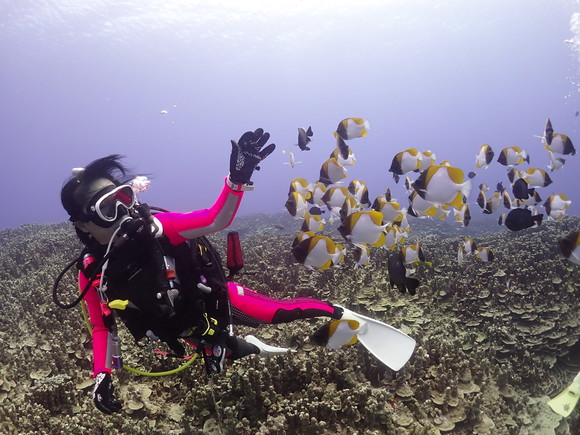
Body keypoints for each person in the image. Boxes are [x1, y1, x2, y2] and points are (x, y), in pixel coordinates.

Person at [59, 129, 359, 414]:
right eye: (108, 207)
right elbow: (102, 327)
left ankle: (338, 311)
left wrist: (237, 180)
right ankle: (256, 348)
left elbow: (217, 219)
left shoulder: (160, 230)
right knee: (231, 351)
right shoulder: (92, 271)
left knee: (277, 313)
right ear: (83, 223)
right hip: (186, 332)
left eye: (124, 198)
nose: (124, 211)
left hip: (218, 300)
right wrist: (102, 375)